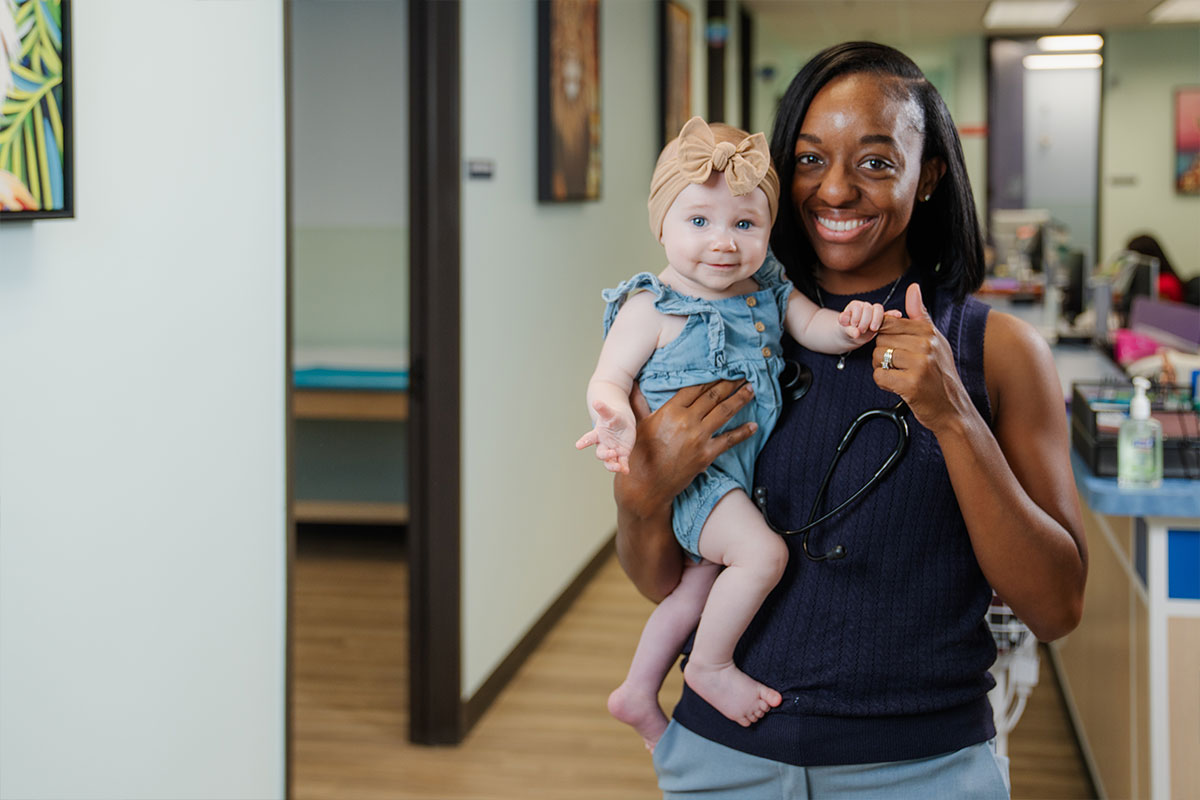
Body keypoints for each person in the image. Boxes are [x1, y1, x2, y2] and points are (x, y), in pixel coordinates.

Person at [613, 43, 1088, 799]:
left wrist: (954, 415)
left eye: (874, 162)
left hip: (922, 768)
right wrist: (642, 494)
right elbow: (662, 582)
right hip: (721, 758)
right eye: (808, 159)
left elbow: (1056, 606)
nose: (834, 189)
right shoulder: (717, 337)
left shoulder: (997, 350)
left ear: (928, 173)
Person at [577, 116, 894, 751]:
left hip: (739, 479)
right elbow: (607, 380)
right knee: (763, 556)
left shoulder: (768, 293)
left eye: (744, 224)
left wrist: (856, 323)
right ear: (661, 223)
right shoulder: (650, 308)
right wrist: (612, 419)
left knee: (699, 586)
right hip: (696, 477)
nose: (722, 242)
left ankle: (638, 691)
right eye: (698, 221)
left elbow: (820, 331)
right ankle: (709, 667)